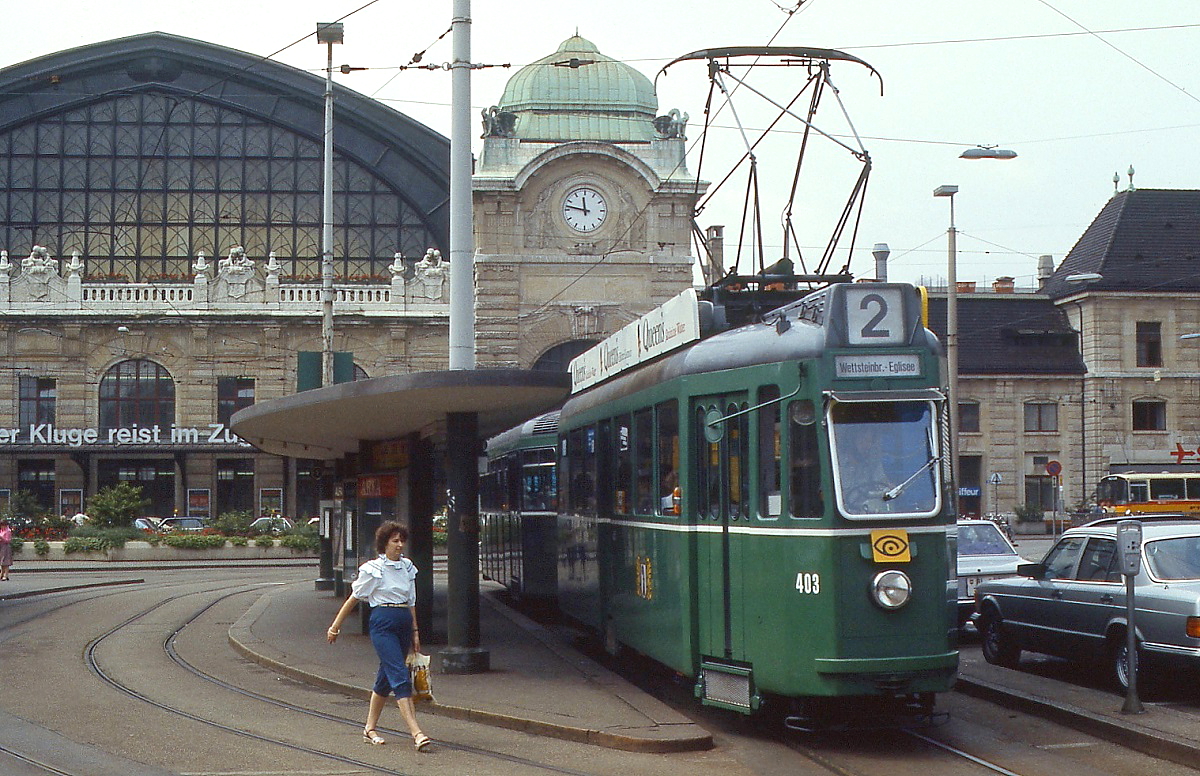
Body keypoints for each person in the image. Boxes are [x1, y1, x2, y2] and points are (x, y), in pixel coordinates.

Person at [327, 521, 430, 751]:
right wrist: (335, 627)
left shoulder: (407, 567)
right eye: (395, 541)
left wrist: (415, 631)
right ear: (384, 544)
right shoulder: (373, 569)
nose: (400, 545)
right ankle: (416, 732)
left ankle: (369, 728)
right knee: (400, 675)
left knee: (385, 678)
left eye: (402, 540)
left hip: (403, 622)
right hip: (382, 623)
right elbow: (353, 598)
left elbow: (411, 601)